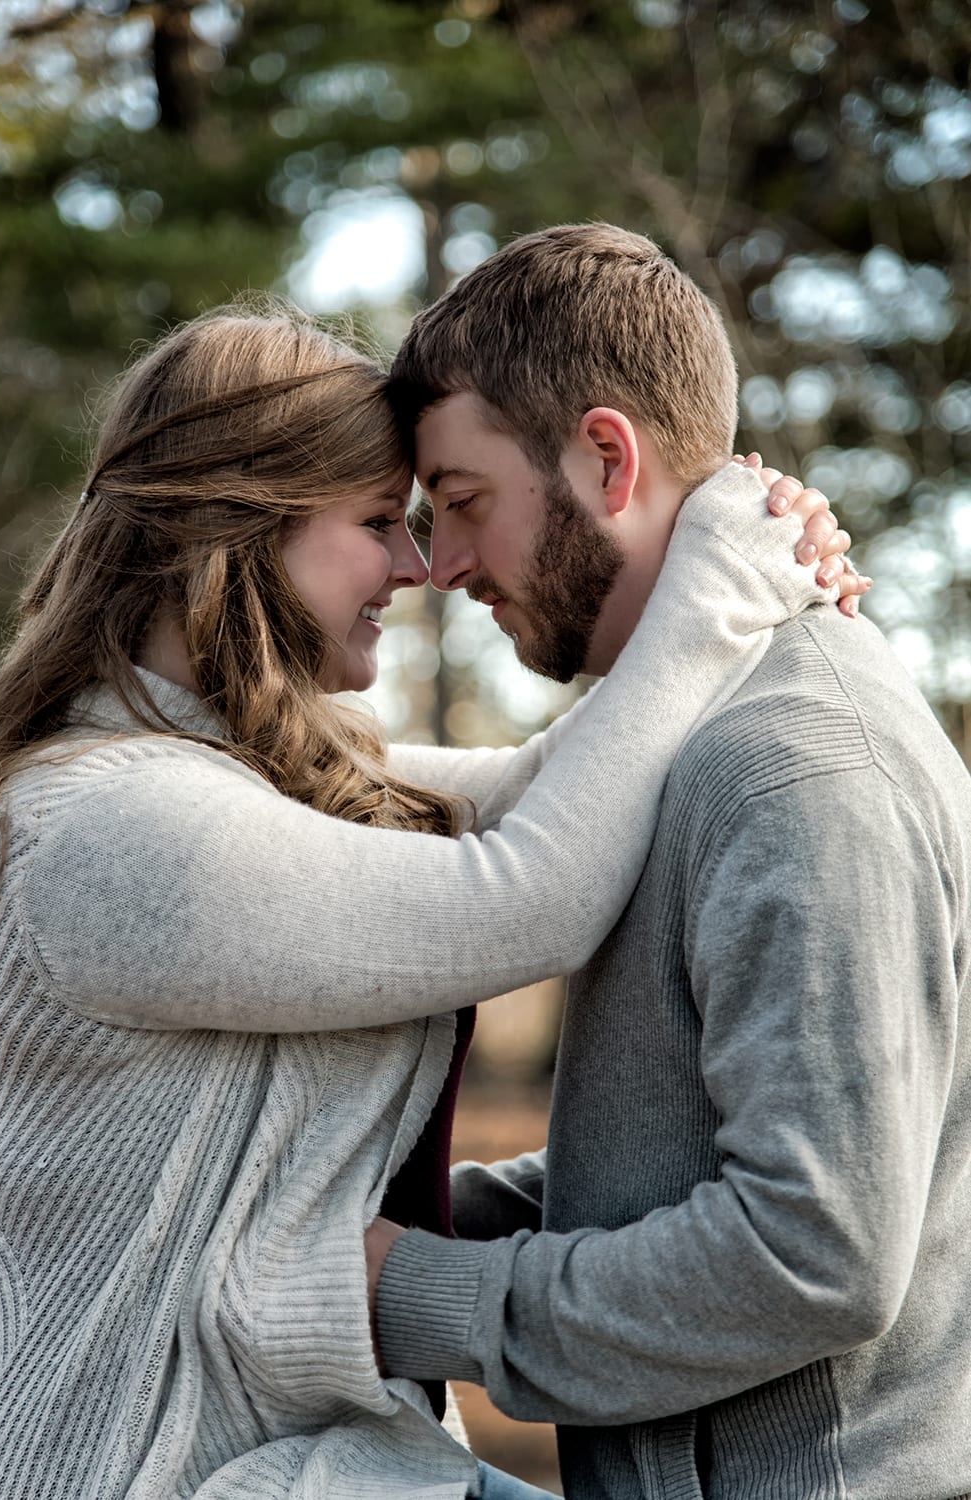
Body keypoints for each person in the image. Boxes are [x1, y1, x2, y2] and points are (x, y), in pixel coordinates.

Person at [0, 299, 856, 1500]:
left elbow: (535, 791)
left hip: (310, 1464)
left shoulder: (232, 770)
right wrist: (710, 595)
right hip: (156, 1473)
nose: (413, 565)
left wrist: (704, 555)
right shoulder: (109, 826)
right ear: (238, 525)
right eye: (378, 522)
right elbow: (526, 896)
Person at [367, 224, 971, 1500]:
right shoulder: (680, 733)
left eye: (464, 501)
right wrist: (423, 1226)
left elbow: (815, 1251)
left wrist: (416, 1293)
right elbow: (684, 1154)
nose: (443, 565)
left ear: (604, 456)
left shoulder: (793, 770)